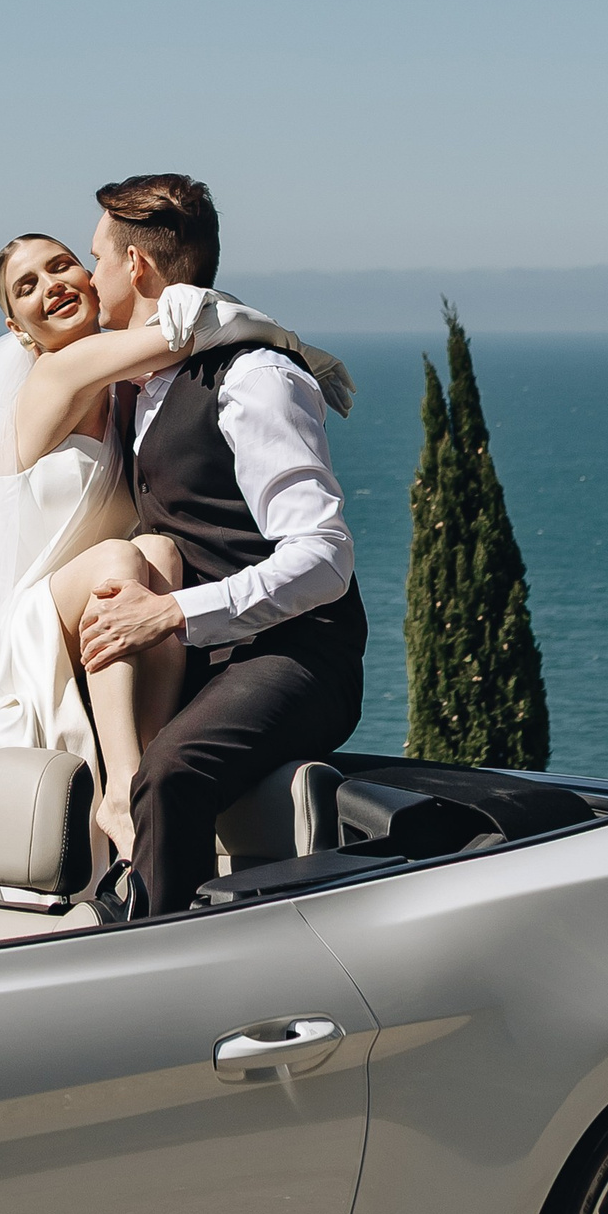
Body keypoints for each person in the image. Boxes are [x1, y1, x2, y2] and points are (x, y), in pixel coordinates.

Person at [0, 227, 347, 897]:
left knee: (158, 550)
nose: (51, 285)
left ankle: (144, 764)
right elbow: (189, 336)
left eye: (62, 265)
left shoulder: (126, 392)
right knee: (120, 558)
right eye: (26, 286)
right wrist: (287, 344)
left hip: (94, 608)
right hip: (20, 621)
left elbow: (181, 351)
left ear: (91, 276)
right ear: (17, 327)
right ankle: (122, 788)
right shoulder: (58, 373)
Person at [73, 172, 367, 918]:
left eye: (97, 257)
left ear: (137, 265)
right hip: (201, 655)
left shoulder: (255, 377)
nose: (89, 275)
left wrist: (172, 614)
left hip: (299, 654)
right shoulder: (134, 382)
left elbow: (324, 556)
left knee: (169, 772)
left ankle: (160, 965)